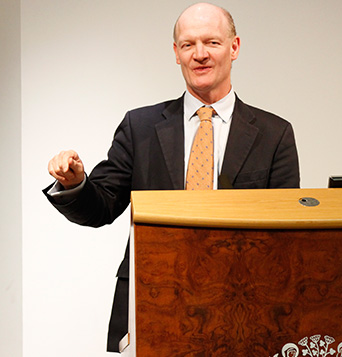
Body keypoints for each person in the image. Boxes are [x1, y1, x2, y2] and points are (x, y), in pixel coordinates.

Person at [43, 3, 300, 352]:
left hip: (243, 312)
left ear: (234, 47)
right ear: (176, 53)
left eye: (211, 43)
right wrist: (75, 183)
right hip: (153, 305)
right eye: (188, 44)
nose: (200, 55)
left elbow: (285, 238)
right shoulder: (140, 127)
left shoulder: (274, 134)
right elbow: (101, 206)